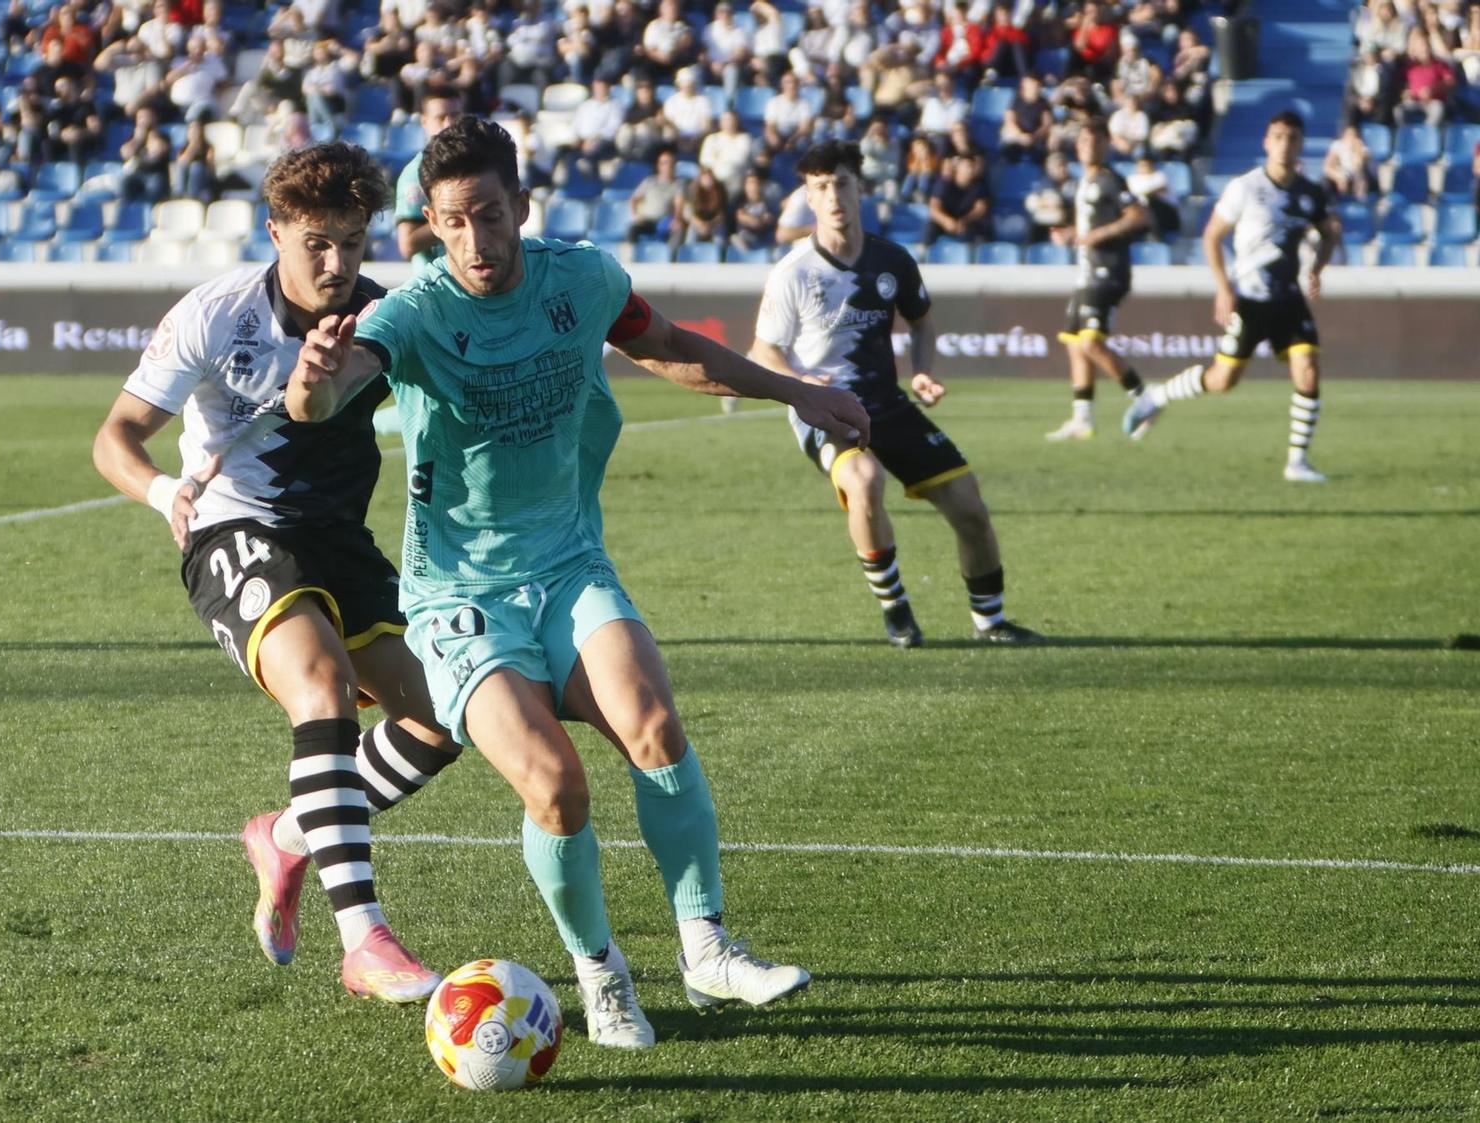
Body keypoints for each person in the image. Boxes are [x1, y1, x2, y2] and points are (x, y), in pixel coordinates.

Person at [285, 117, 871, 1049]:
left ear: (522, 205)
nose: (474, 239)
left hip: (567, 565)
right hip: (459, 597)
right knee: (555, 784)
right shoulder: (416, 310)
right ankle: (603, 979)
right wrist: (315, 378)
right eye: (451, 221)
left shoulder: (583, 278)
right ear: (432, 226)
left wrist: (797, 390)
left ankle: (707, 947)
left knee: (654, 726)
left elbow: (671, 344)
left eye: (488, 213)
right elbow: (332, 387)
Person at [90, 142, 460, 1004]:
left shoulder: (387, 316)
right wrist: (161, 493)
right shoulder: (215, 315)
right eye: (315, 244)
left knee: (443, 719)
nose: (336, 264)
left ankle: (289, 834)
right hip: (234, 527)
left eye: (352, 244)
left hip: (339, 538)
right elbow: (115, 437)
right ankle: (364, 939)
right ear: (276, 232)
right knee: (322, 686)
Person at [750, 141, 1043, 649]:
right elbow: (762, 351)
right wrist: (803, 385)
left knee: (970, 507)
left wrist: (923, 371)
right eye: (821, 187)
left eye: (841, 182)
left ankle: (991, 623)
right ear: (809, 198)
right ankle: (897, 611)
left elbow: (923, 324)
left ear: (859, 187)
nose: (834, 195)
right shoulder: (794, 271)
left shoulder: (893, 261)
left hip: (886, 402)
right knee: (864, 479)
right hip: (826, 409)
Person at [1125, 112, 1341, 483]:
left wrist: (1316, 270)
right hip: (1251, 297)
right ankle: (1157, 397)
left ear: (1301, 144)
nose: (1284, 144)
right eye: (1277, 136)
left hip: (1289, 299)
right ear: (1265, 142)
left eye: (1292, 137)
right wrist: (1224, 287)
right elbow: (1212, 236)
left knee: (1308, 371)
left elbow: (1329, 231)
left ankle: (1297, 462)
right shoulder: (1246, 187)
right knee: (1224, 380)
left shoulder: (1310, 193)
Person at [1047, 123, 1150, 441]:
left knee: (1091, 342)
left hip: (1108, 272)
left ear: (1106, 144)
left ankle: (1145, 401)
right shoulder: (1083, 182)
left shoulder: (1110, 179)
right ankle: (1082, 418)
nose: (1088, 144)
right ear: (1077, 147)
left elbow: (1138, 216)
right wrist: (1070, 235)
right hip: (1085, 273)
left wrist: (1094, 236)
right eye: (1083, 139)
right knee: (1075, 343)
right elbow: (1087, 226)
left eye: (1095, 139)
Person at [392, 94, 459, 263]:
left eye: (455, 116)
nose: (449, 124)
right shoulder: (415, 173)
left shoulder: (474, 167)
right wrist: (456, 217)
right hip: (434, 282)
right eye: (440, 117)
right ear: (425, 122)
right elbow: (408, 243)